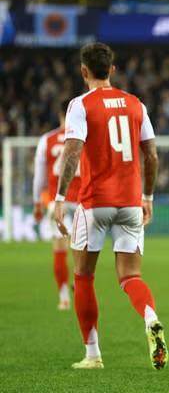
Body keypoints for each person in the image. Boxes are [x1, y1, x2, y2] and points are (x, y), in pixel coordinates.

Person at [54, 42, 168, 370]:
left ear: (84, 71)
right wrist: (147, 197)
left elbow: (72, 152)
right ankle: (150, 317)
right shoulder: (135, 104)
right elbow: (152, 155)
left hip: (95, 203)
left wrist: (60, 198)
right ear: (112, 70)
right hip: (131, 202)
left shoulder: (80, 104)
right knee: (130, 276)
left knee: (83, 276)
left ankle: (92, 354)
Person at [33, 98, 81, 310]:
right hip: (81, 201)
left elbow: (39, 177)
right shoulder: (84, 137)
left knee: (59, 248)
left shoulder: (47, 140)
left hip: (56, 202)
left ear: (60, 114)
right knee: (82, 250)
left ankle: (63, 297)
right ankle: (79, 285)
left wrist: (37, 202)